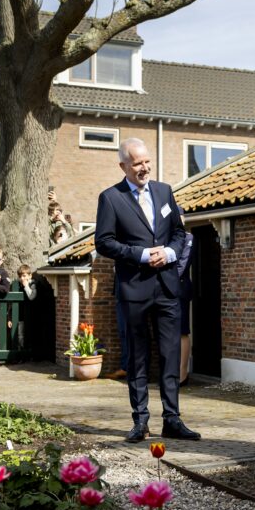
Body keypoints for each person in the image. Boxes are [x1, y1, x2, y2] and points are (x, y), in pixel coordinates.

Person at [95, 137, 200, 443]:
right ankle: (140, 421)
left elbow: (179, 233)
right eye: (137, 163)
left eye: (146, 161)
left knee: (169, 355)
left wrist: (168, 253)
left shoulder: (164, 191)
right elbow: (104, 241)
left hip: (167, 286)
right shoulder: (110, 198)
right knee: (138, 357)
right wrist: (141, 255)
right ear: (123, 166)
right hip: (134, 288)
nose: (144, 168)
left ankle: (172, 419)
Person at [176, 206, 194, 386]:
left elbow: (182, 265)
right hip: (163, 290)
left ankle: (182, 372)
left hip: (179, 289)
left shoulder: (189, 238)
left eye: (180, 217)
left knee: (182, 331)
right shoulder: (164, 239)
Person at [17, 264, 37, 350]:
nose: (22, 278)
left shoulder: (33, 284)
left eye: (24, 276)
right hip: (21, 315)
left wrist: (26, 286)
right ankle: (21, 351)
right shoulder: (18, 286)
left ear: (30, 275)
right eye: (20, 276)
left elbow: (31, 297)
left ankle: (29, 352)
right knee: (20, 335)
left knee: (30, 334)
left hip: (31, 315)